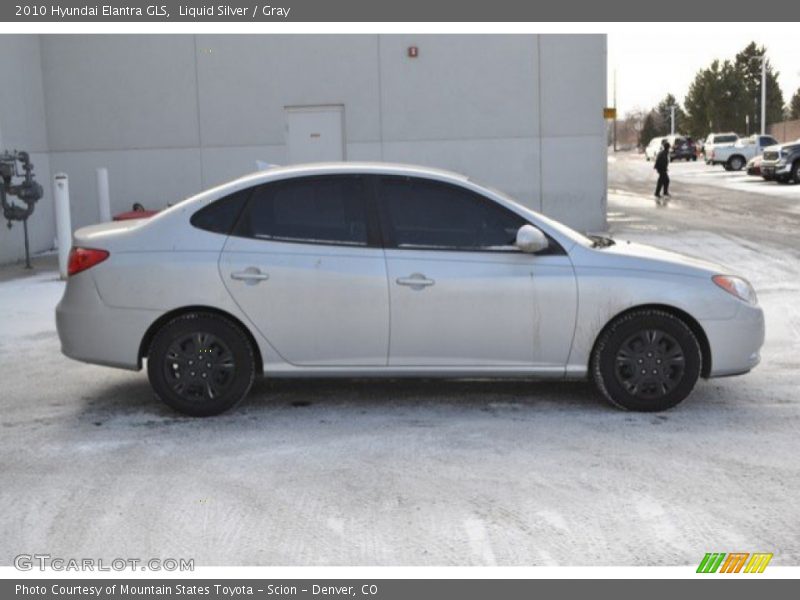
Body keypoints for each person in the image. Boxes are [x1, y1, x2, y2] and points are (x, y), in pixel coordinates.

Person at [654, 139, 671, 205]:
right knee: (665, 180)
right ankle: (660, 193)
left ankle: (660, 192)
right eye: (669, 147)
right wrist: (662, 169)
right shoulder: (663, 153)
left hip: (662, 169)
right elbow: (660, 162)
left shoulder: (664, 153)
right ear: (667, 148)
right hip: (661, 169)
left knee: (662, 181)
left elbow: (664, 162)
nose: (669, 149)